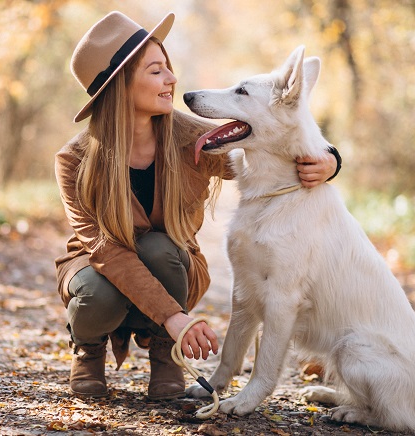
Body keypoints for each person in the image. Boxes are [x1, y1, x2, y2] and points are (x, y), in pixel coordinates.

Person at [54, 11, 340, 400]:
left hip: (170, 265)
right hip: (100, 269)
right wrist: (176, 318)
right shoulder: (73, 160)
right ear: (120, 85)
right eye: (157, 71)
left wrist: (329, 159)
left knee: (160, 248)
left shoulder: (193, 137)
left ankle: (164, 354)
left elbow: (273, 140)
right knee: (94, 291)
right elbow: (105, 251)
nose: (172, 78)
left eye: (168, 67)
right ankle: (88, 349)